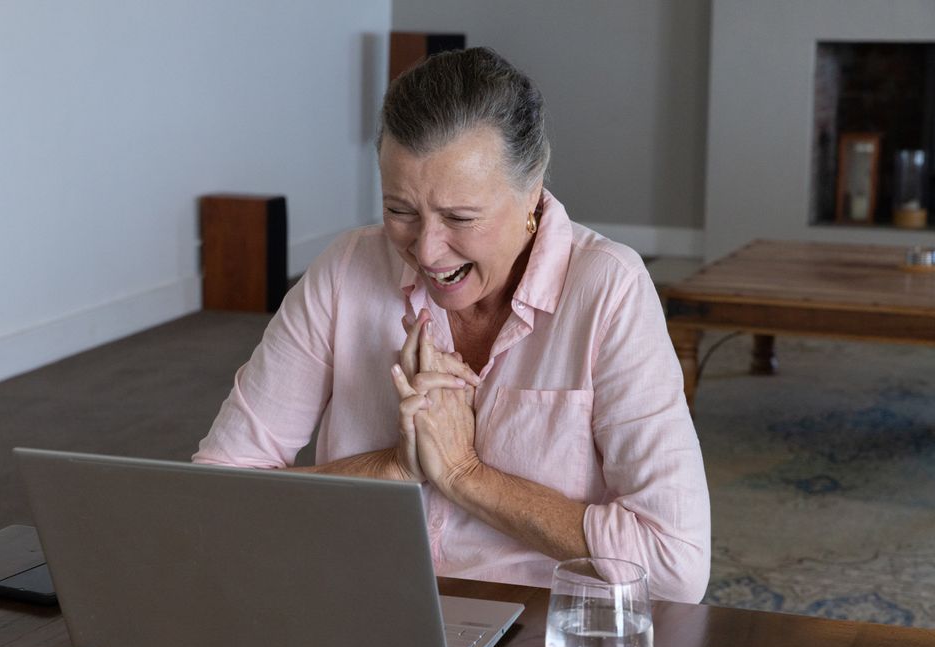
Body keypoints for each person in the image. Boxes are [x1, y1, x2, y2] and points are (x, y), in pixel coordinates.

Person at [195, 47, 710, 602]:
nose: (427, 249)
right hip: (363, 608)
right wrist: (393, 467)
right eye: (400, 211)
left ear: (532, 192)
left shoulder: (608, 288)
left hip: (544, 636)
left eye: (460, 218)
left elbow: (675, 566)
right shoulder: (347, 271)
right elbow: (215, 494)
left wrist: (466, 474)